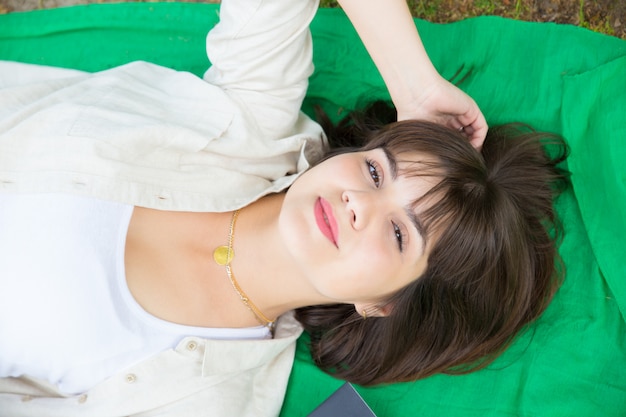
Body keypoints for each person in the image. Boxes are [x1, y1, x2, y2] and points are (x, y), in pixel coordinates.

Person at [0, 0, 565, 416]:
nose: (357, 204)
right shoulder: (255, 122)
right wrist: (414, 90)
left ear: (383, 305)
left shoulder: (205, 398)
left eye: (399, 233)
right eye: (376, 171)